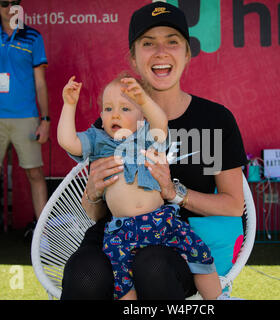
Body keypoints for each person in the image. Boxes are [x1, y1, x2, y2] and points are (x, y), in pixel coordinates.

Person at [61, 1, 247, 300]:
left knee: (153, 265)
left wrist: (173, 193)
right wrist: (92, 193)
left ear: (187, 53)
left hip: (174, 242)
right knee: (85, 274)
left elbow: (233, 205)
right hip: (115, 238)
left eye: (172, 42)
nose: (161, 51)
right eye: (148, 43)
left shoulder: (216, 119)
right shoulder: (113, 121)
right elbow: (96, 211)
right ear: (134, 59)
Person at [58, 74, 224, 300]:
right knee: (122, 282)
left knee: (200, 255)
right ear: (101, 116)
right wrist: (69, 105)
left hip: (161, 221)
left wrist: (144, 100)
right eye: (108, 109)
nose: (115, 114)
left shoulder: (147, 137)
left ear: (141, 117)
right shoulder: (98, 140)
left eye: (126, 108)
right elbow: (68, 141)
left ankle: (218, 298)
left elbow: (160, 122)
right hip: (120, 230)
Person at [0, 0, 49, 251]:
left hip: (26, 117)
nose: (10, 7)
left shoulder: (33, 36)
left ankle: (43, 238)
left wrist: (45, 120)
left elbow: (41, 83)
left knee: (35, 173)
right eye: (4, 3)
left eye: (14, 3)